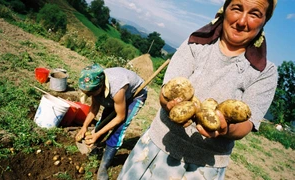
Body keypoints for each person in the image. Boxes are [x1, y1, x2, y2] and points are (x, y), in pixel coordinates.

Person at [118, 0, 278, 179]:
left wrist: (224, 129)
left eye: (254, 14)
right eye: (236, 8)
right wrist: (169, 104)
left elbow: (247, 124)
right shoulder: (196, 43)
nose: (241, 21)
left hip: (204, 168)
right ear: (224, 10)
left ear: (264, 21)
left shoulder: (265, 72)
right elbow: (167, 91)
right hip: (158, 146)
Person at [75, 63, 147, 180]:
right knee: (105, 118)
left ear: (101, 86)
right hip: (116, 93)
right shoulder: (95, 84)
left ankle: (104, 165)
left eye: (91, 93)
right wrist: (84, 127)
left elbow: (120, 117)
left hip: (135, 95)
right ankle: (95, 143)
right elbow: (94, 108)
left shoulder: (116, 90)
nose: (89, 95)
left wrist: (97, 133)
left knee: (119, 129)